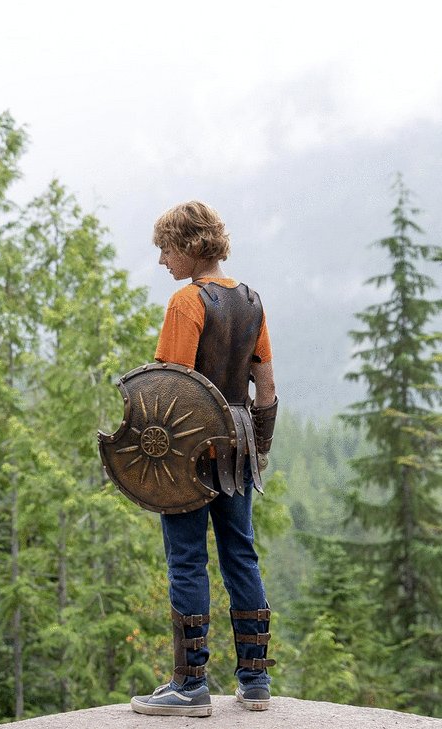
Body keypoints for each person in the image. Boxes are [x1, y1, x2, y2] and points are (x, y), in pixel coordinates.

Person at [130, 201, 278, 717]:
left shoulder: (186, 303)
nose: (162, 260)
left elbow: (168, 390)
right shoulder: (252, 301)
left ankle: (190, 686)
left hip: (190, 447)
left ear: (192, 245)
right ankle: (255, 679)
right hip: (236, 443)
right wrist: (258, 447)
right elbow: (266, 384)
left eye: (166, 248)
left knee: (187, 557)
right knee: (241, 553)